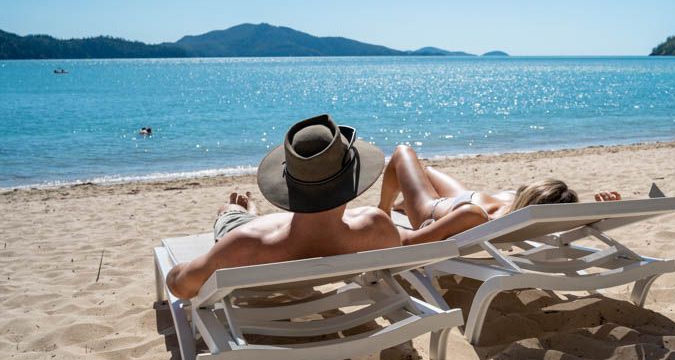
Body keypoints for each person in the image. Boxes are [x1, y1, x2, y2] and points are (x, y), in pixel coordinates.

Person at [166, 115, 400, 300]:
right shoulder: (376, 225)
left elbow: (182, 287)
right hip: (284, 233)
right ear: (351, 180)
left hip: (263, 236)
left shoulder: (242, 244)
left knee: (229, 212)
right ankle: (249, 212)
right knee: (254, 220)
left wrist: (176, 272)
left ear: (289, 185)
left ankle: (237, 212)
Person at [378, 145, 622, 245]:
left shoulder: (474, 217)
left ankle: (386, 208)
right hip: (467, 198)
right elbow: (565, 219)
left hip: (433, 208)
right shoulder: (525, 217)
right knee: (426, 170)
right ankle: (403, 203)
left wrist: (379, 226)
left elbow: (412, 242)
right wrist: (601, 211)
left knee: (402, 152)